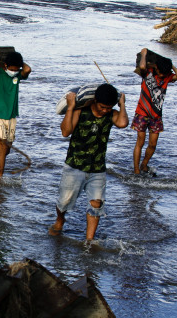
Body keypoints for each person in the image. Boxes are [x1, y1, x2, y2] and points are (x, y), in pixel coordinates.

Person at [49, 83, 128, 241]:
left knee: (96, 204)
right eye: (102, 106)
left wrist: (122, 104)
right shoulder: (81, 110)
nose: (105, 110)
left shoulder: (111, 114)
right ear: (94, 101)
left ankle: (89, 240)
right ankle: (60, 220)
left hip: (97, 168)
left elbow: (123, 123)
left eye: (108, 107)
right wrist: (71, 107)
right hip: (74, 166)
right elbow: (65, 132)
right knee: (64, 202)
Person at [132, 48, 177, 175]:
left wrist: (169, 63)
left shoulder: (167, 77)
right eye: (160, 73)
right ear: (156, 68)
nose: (161, 76)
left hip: (156, 116)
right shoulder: (148, 73)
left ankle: (144, 164)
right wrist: (144, 53)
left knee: (153, 144)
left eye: (164, 74)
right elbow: (142, 65)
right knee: (140, 142)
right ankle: (136, 170)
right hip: (142, 113)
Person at [0, 51, 32, 177]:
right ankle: (0, 179)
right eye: (11, 69)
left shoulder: (18, 76)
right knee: (3, 146)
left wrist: (19, 62)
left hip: (11, 116)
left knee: (7, 149)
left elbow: (28, 69)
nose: (14, 72)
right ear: (5, 66)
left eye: (16, 69)